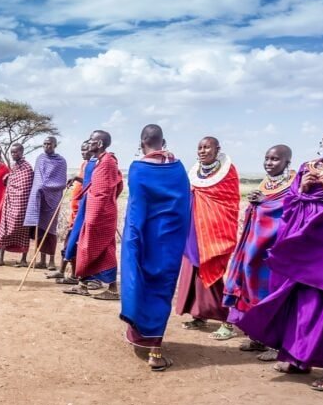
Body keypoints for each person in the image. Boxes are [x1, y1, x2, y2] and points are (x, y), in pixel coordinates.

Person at [236, 120, 323, 391]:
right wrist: (304, 190)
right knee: (300, 305)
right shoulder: (305, 168)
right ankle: (299, 359)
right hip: (302, 248)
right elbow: (291, 204)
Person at [119, 125, 192, 371]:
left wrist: (132, 240)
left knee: (139, 282)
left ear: (141, 144)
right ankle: (155, 350)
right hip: (169, 241)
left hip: (144, 238)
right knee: (162, 289)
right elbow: (184, 208)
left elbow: (137, 208)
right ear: (164, 141)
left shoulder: (138, 169)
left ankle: (141, 335)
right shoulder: (179, 169)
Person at [223, 145, 295, 355]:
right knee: (253, 291)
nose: (269, 163)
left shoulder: (293, 185)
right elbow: (260, 208)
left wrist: (265, 205)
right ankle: (258, 337)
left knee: (271, 295)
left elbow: (290, 212)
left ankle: (276, 344)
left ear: (287, 162)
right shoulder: (267, 183)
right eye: (267, 158)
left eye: (275, 159)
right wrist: (256, 203)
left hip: (275, 251)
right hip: (255, 249)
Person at [175, 136, 240, 336]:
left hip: (214, 232)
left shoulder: (228, 172)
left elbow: (228, 202)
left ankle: (227, 320)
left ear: (217, 149)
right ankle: (199, 314)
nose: (202, 151)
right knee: (193, 271)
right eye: (200, 147)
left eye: (207, 147)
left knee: (214, 270)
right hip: (194, 230)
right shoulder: (195, 171)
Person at [65, 130, 123, 299]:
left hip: (100, 214)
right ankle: (82, 284)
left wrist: (92, 217)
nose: (88, 142)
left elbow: (104, 192)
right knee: (85, 247)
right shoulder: (99, 161)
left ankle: (112, 290)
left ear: (99, 144)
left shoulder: (107, 163)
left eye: (91, 140)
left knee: (103, 249)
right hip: (91, 210)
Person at [23, 136, 67, 271]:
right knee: (40, 229)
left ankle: (52, 260)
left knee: (51, 230)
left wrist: (45, 186)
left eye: (49, 144)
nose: (46, 146)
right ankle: (42, 260)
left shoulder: (61, 161)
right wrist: (39, 188)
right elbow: (37, 179)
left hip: (53, 199)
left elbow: (61, 181)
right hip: (39, 199)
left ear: (55, 145)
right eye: (44, 144)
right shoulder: (40, 159)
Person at [51, 140, 93, 283]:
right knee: (69, 242)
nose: (83, 153)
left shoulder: (94, 166)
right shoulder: (84, 164)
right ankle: (63, 271)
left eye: (86, 150)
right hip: (75, 212)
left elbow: (90, 182)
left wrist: (76, 178)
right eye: (81, 150)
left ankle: (75, 276)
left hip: (83, 212)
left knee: (73, 242)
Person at [0, 143, 33, 267]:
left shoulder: (27, 168)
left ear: (22, 152)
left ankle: (23, 259)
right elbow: (10, 181)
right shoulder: (14, 167)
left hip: (22, 205)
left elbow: (26, 187)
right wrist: (8, 177)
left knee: (23, 231)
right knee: (4, 229)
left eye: (16, 152)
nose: (13, 154)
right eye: (12, 152)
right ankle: (0, 258)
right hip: (10, 203)